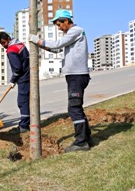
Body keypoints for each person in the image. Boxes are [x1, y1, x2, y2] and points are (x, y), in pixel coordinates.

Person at [29, 9, 93, 153]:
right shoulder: (72, 35)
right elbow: (57, 50)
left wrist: (36, 39)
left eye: (59, 24)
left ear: (66, 21)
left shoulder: (76, 30)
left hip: (77, 75)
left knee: (74, 108)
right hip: (74, 75)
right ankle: (86, 137)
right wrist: (41, 45)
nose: (59, 28)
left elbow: (57, 44)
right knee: (77, 107)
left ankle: (81, 142)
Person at [0, 31, 30, 134]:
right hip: (28, 75)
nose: (4, 46)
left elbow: (17, 68)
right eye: (1, 44)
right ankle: (26, 123)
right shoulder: (20, 44)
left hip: (23, 78)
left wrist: (12, 80)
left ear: (8, 38)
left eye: (4, 43)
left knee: (22, 102)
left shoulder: (11, 50)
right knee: (25, 101)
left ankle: (24, 126)